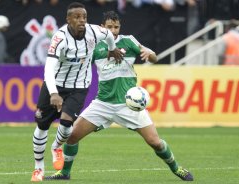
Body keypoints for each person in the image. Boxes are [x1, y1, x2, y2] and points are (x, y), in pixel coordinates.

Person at [45, 11, 193, 181]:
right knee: (71, 137)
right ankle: (64, 173)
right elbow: (80, 63)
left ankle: (176, 168)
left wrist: (149, 55)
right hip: (103, 104)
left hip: (129, 105)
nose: (114, 31)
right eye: (110, 27)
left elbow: (153, 57)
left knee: (155, 142)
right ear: (102, 27)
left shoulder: (128, 41)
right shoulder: (94, 46)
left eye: (116, 27)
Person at [30, 3, 124, 182]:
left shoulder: (95, 31)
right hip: (55, 85)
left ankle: (56, 147)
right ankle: (38, 168)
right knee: (42, 126)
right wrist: (53, 93)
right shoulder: (59, 38)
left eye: (84, 17)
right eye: (77, 17)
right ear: (68, 19)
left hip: (79, 85)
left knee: (66, 124)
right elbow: (49, 68)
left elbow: (109, 35)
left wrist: (112, 49)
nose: (82, 20)